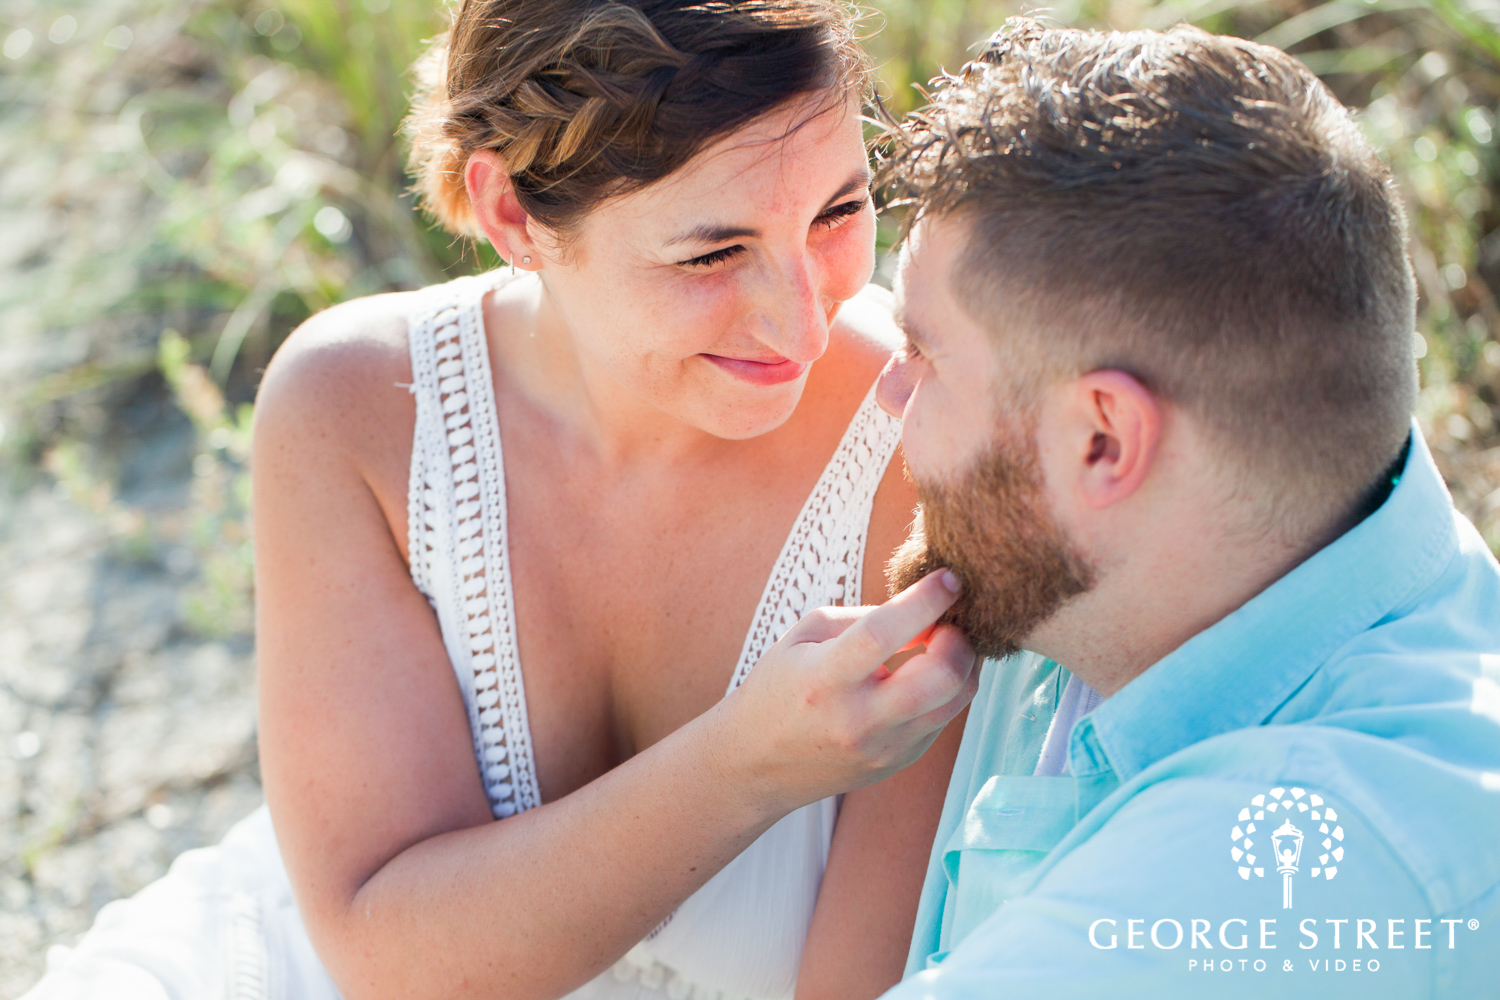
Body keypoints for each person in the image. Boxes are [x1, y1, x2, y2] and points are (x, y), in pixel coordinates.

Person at [23, 3, 981, 999]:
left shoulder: (925, 441)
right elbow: (386, 956)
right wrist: (750, 764)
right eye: (710, 254)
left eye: (838, 211)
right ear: (512, 212)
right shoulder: (357, 411)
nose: (802, 318)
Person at [865, 20, 1500, 998]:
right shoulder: (1257, 540)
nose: (889, 392)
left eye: (924, 353)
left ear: (1104, 441)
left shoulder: (1285, 878)